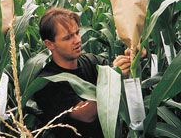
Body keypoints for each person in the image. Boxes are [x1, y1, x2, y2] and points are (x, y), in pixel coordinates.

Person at [34, 7, 145, 138]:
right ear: (49, 44)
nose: (77, 40)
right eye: (68, 37)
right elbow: (86, 114)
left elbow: (123, 78)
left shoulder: (92, 61)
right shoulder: (47, 81)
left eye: (77, 33)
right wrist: (114, 77)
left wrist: (132, 60)